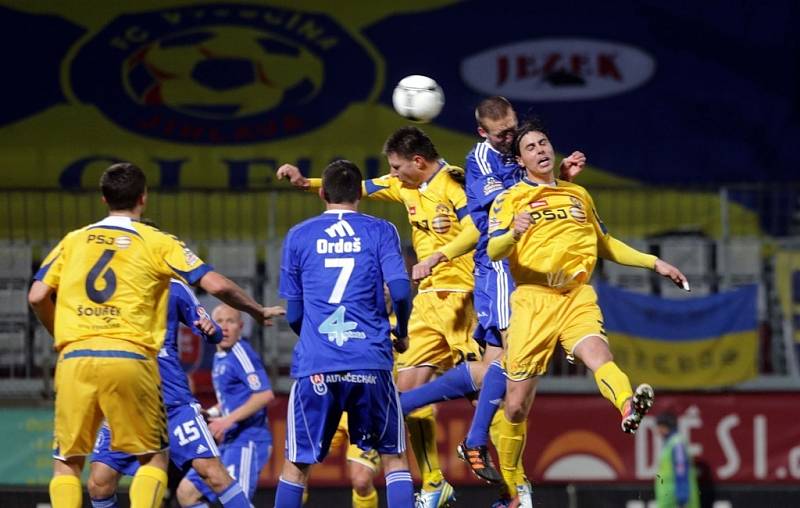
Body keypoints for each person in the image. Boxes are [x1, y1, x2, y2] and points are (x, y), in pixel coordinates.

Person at [27, 162, 284, 508]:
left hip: (82, 361)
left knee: (67, 465)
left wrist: (63, 335)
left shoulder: (74, 240)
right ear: (143, 198)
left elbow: (37, 295)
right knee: (136, 466)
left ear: (103, 198)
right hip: (132, 362)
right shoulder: (156, 243)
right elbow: (217, 284)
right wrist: (256, 310)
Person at [277, 127, 484, 507]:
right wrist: (304, 181)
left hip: (461, 298)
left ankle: (512, 486)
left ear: (417, 162)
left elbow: (475, 227)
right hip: (395, 332)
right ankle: (435, 480)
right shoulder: (391, 210)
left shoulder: (453, 185)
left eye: (396, 166)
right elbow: (364, 188)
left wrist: (440, 255)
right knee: (402, 409)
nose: (392, 173)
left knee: (486, 391)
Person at [486, 119, 689, 481]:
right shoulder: (510, 199)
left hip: (577, 296)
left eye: (544, 143)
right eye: (530, 148)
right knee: (515, 407)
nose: (541, 150)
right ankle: (514, 485)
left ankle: (628, 406)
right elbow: (493, 249)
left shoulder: (577, 194)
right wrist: (513, 232)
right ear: (520, 161)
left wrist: (654, 262)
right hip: (534, 301)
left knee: (600, 357)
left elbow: (604, 244)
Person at [273, 159, 415, 508]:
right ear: (360, 195)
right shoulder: (381, 230)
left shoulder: (298, 236)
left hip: (317, 363)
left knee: (296, 464)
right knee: (393, 459)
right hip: (370, 360)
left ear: (322, 192)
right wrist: (402, 329)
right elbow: (399, 291)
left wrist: (311, 336)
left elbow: (293, 313)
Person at [88, 279, 254, 508]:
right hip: (126, 402)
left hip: (172, 402)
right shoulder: (110, 282)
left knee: (212, 473)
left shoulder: (173, 287)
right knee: (99, 483)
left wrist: (211, 329)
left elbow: (211, 330)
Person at [177, 303, 276, 505]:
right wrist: (211, 412)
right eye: (220, 322)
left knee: (236, 502)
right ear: (211, 326)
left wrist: (225, 422)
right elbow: (231, 398)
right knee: (186, 493)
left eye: (231, 321)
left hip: (248, 441)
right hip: (229, 441)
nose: (225, 327)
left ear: (240, 326)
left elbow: (264, 394)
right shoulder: (220, 356)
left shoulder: (240, 352)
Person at [655, 412, 700, 508]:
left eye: (659, 426)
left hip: (676, 499)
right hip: (670, 499)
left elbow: (681, 470)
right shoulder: (670, 443)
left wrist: (682, 497)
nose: (657, 430)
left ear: (665, 427)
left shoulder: (677, 444)